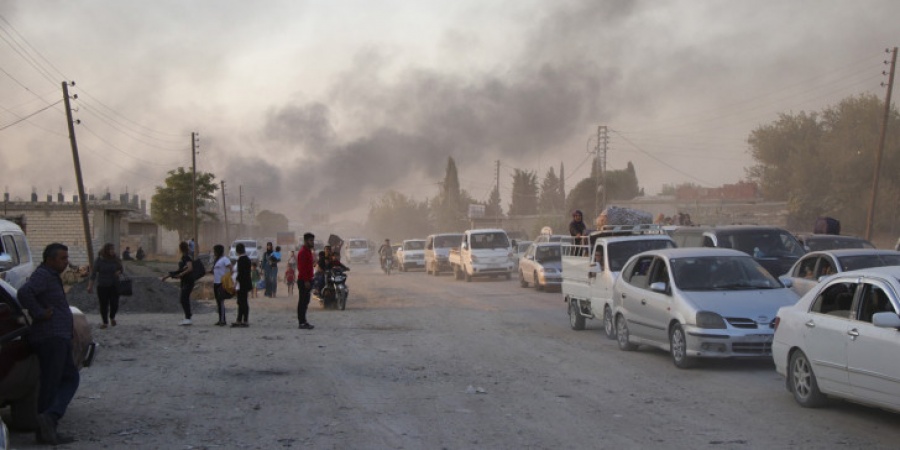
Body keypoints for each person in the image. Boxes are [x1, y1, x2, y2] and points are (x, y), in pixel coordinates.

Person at [17, 243, 78, 445]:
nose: (65, 262)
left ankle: (45, 430)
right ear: (49, 259)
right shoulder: (43, 275)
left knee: (52, 384)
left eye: (66, 258)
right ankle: (50, 416)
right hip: (51, 336)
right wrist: (40, 313)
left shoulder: (51, 276)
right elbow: (24, 293)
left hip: (56, 336)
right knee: (67, 379)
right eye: (62, 258)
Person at [86, 243, 124, 329]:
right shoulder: (99, 260)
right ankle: (105, 322)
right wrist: (90, 286)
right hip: (102, 285)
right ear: (106, 251)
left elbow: (121, 269)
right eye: (110, 250)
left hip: (114, 285)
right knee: (104, 304)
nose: (112, 251)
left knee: (115, 304)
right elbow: (93, 274)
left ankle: (112, 317)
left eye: (113, 249)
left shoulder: (116, 259)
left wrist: (119, 272)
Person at [161, 241, 194, 325]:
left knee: (184, 299)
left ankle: (188, 318)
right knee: (184, 299)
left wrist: (181, 274)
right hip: (185, 281)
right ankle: (188, 317)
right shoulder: (184, 257)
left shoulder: (187, 257)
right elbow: (180, 270)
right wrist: (168, 275)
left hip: (188, 281)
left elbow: (190, 268)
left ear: (180, 248)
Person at [296, 232, 316, 330]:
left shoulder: (308, 251)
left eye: (313, 240)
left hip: (308, 279)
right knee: (302, 302)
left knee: (305, 302)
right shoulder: (303, 252)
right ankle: (301, 322)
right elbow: (302, 268)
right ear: (306, 241)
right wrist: (306, 281)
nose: (312, 242)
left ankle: (304, 321)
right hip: (304, 280)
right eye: (311, 240)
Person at [211, 244, 232, 326]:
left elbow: (231, 268)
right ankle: (220, 319)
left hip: (221, 283)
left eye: (215, 251)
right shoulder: (216, 260)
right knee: (218, 302)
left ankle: (223, 320)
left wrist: (228, 279)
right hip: (216, 283)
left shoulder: (225, 259)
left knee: (221, 302)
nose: (214, 253)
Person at [234, 243, 252, 328]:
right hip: (246, 283)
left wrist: (236, 282)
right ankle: (241, 320)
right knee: (242, 301)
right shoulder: (247, 259)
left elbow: (240, 273)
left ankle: (244, 320)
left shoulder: (241, 260)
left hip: (241, 284)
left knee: (242, 302)